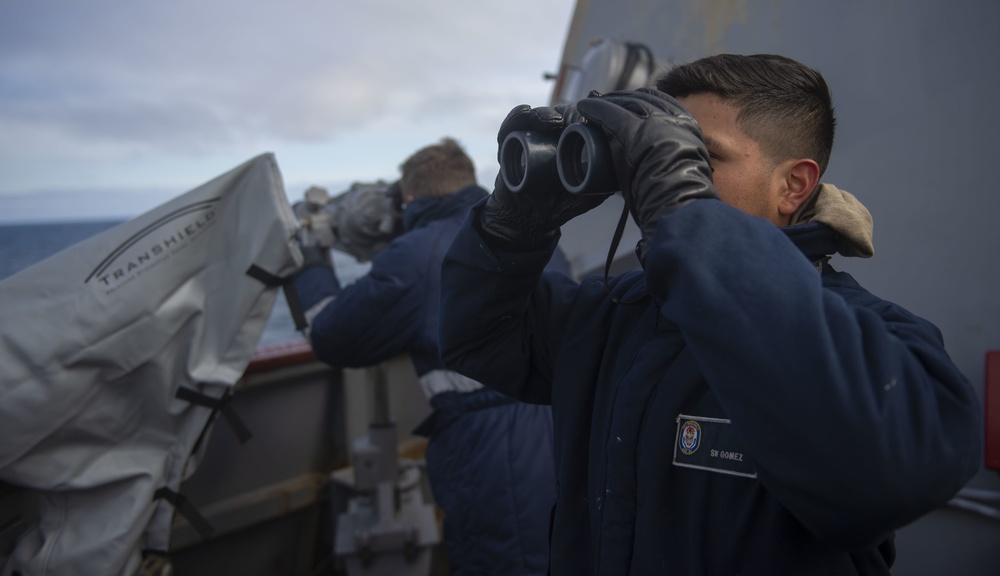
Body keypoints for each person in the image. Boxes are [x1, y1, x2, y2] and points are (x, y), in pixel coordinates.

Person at [438, 54, 982, 575]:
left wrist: (684, 210)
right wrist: (511, 226)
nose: (651, 178)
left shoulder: (872, 335)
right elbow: (479, 338)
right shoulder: (612, 315)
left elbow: (895, 471)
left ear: (794, 185)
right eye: (657, 156)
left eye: (698, 158)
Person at [293, 137, 567, 575]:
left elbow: (332, 335)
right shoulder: (531, 228)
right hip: (562, 426)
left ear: (412, 197)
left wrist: (311, 261)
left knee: (504, 560)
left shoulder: (418, 256)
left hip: (494, 451)